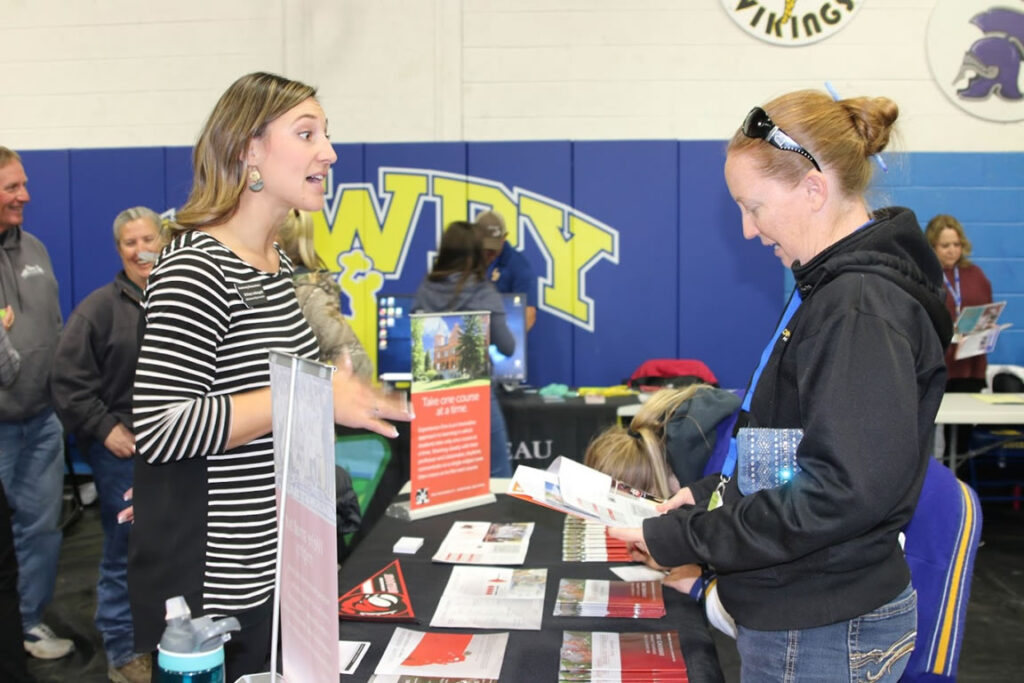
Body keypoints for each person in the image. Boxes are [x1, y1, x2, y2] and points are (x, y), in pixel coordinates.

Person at [610, 90, 952, 681]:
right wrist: (721, 489)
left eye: (754, 206)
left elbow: (839, 491)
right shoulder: (832, 290)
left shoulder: (858, 308)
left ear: (815, 189)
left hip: (820, 624)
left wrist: (689, 535)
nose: (746, 229)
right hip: (808, 607)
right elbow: (801, 445)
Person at [128, 72, 412, 679]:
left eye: (327, 135)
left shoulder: (275, 263)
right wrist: (310, 396)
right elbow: (160, 428)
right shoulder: (196, 269)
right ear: (248, 150)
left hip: (281, 570)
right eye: (306, 133)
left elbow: (228, 409)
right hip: (221, 595)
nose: (329, 152)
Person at [50, 206, 165, 683]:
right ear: (119, 250)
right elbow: (66, 380)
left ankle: (166, 639)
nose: (141, 251)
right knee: (124, 552)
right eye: (129, 243)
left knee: (173, 547)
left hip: (179, 451)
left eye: (148, 240)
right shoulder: (98, 309)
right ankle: (123, 651)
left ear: (165, 240)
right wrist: (106, 428)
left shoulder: (184, 299)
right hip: (123, 455)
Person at [0, 146, 75, 660]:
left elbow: (54, 329)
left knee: (41, 529)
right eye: (11, 187)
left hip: (41, 421)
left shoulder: (37, 250)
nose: (24, 195)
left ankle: (27, 624)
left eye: (23, 184)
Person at [413, 220, 515, 477]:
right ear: (477, 253)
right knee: (497, 477)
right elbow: (508, 346)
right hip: (476, 398)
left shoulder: (425, 290)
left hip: (434, 401)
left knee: (444, 481)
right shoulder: (483, 293)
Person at [276, 208, 372, 378]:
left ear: (275, 240)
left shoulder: (309, 294)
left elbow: (358, 364)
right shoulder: (272, 285)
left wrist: (316, 393)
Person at [925, 214, 993, 393]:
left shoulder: (976, 275)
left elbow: (987, 311)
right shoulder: (925, 276)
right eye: (945, 246)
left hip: (971, 365)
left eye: (957, 244)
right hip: (938, 365)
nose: (952, 250)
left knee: (969, 418)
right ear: (932, 247)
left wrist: (990, 327)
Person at [475, 211, 537, 330]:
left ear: (504, 237)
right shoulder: (463, 260)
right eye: (485, 246)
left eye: (494, 246)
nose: (490, 251)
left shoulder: (518, 266)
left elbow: (529, 312)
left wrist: (510, 342)